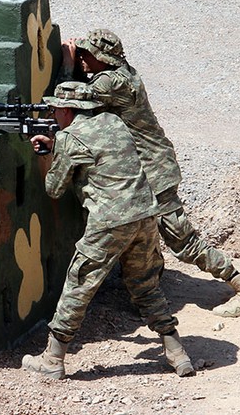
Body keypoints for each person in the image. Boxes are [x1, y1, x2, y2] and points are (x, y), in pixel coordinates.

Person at [64, 29, 240, 318]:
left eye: (87, 54)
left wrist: (66, 63)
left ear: (102, 58)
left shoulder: (112, 82)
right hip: (149, 168)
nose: (82, 59)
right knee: (144, 232)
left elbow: (68, 98)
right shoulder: (118, 75)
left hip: (154, 172)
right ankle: (148, 293)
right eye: (81, 54)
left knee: (180, 239)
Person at [21, 81, 195, 379]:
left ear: (66, 110)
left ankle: (52, 360)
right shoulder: (112, 122)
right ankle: (177, 352)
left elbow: (54, 189)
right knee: (145, 284)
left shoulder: (71, 138)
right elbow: (99, 154)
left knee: (79, 283)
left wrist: (50, 154)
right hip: (144, 214)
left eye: (54, 108)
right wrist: (60, 145)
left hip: (110, 222)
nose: (53, 113)